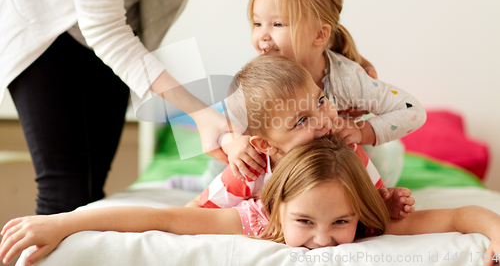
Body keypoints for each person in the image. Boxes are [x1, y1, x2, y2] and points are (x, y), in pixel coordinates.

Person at [0, 0, 284, 215]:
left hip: (120, 26)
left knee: (89, 192)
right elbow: (105, 30)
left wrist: (323, 53)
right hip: (44, 21)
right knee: (65, 192)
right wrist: (202, 115)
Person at [1, 135, 499, 266]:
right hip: (249, 171)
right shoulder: (254, 218)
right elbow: (164, 220)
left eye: (339, 223)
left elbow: (463, 213)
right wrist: (64, 223)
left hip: (365, 156)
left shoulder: (370, 220)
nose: (323, 242)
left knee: (387, 163)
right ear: (276, 207)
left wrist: (495, 235)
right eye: (303, 221)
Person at [223, 0, 426, 185]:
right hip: (291, 166)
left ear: (319, 35)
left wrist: (362, 131)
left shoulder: (348, 79)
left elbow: (412, 110)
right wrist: (231, 143)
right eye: (257, 24)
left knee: (379, 161)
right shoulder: (262, 76)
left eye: (278, 24)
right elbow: (227, 121)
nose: (262, 34)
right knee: (238, 157)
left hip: (337, 164)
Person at [191, 54, 413, 220]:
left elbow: (374, 201)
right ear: (266, 145)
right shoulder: (252, 169)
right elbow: (199, 211)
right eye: (301, 120)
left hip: (389, 160)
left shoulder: (348, 149)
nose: (323, 119)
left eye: (320, 101)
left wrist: (388, 206)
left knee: (392, 150)